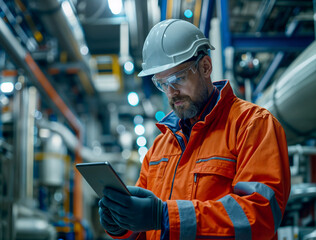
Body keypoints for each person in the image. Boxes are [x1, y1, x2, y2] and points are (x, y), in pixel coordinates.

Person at [98, 19, 291, 240]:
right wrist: (121, 224)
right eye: (162, 84)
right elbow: (144, 229)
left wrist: (163, 216)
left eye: (177, 79)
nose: (171, 93)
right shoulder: (159, 149)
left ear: (206, 67)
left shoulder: (252, 125)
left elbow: (259, 215)